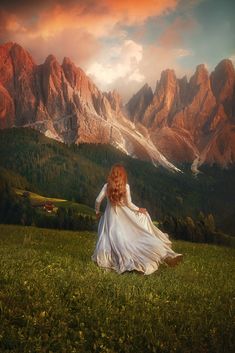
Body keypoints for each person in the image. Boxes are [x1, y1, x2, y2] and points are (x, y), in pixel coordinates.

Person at [91, 164, 183, 275]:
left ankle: (130, 262)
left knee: (115, 240)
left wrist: (97, 212)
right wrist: (139, 209)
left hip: (111, 218)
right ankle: (164, 255)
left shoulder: (106, 186)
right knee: (134, 236)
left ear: (111, 174)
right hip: (125, 216)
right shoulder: (126, 186)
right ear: (123, 175)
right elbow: (129, 204)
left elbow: (97, 200)